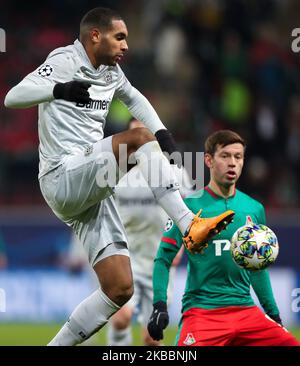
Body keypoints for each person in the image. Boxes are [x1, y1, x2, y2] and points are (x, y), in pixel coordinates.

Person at [4, 7, 234, 346]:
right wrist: (57, 90)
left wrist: (164, 134)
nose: (126, 45)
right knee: (138, 140)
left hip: (90, 187)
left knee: (118, 289)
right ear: (95, 36)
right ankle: (188, 224)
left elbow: (135, 98)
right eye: (120, 37)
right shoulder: (64, 60)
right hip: (62, 173)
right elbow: (12, 97)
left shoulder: (111, 72)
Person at [148, 129, 300, 346]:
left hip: (246, 310)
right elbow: (163, 258)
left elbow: (257, 269)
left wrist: (273, 315)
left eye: (238, 157)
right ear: (208, 160)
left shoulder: (254, 209)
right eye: (225, 156)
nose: (232, 163)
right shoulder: (187, 207)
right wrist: (159, 304)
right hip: (202, 312)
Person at [108, 118, 191, 346]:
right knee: (120, 319)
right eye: (133, 135)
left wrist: (180, 247)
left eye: (143, 135)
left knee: (152, 338)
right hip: (126, 259)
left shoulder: (173, 170)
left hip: (160, 262)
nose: (138, 142)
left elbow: (187, 210)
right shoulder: (115, 172)